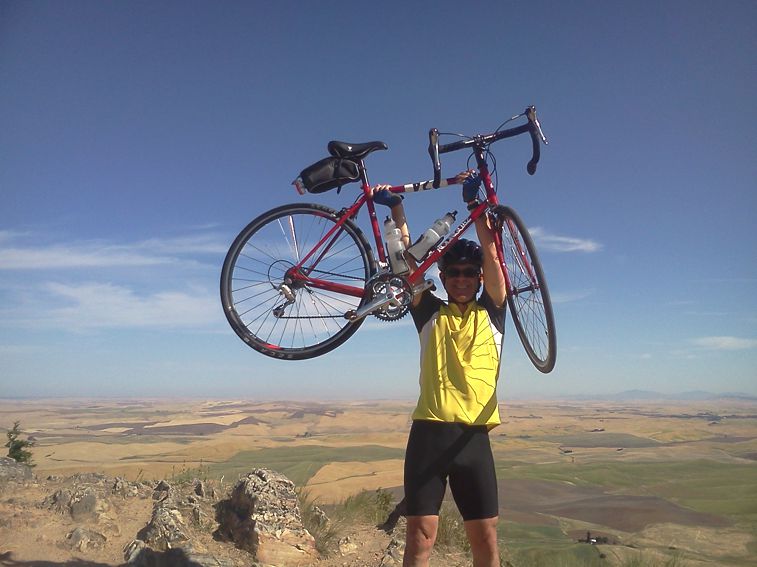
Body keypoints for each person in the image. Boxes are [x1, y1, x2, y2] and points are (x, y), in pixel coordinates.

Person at [372, 171, 506, 567]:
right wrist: (397, 208)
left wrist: (474, 208)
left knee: (484, 539)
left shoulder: (494, 314)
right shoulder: (430, 312)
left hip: (474, 440)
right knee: (420, 537)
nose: (462, 279)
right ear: (443, 279)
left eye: (470, 273)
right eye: (454, 273)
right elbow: (407, 261)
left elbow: (493, 253)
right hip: (428, 435)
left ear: (479, 279)